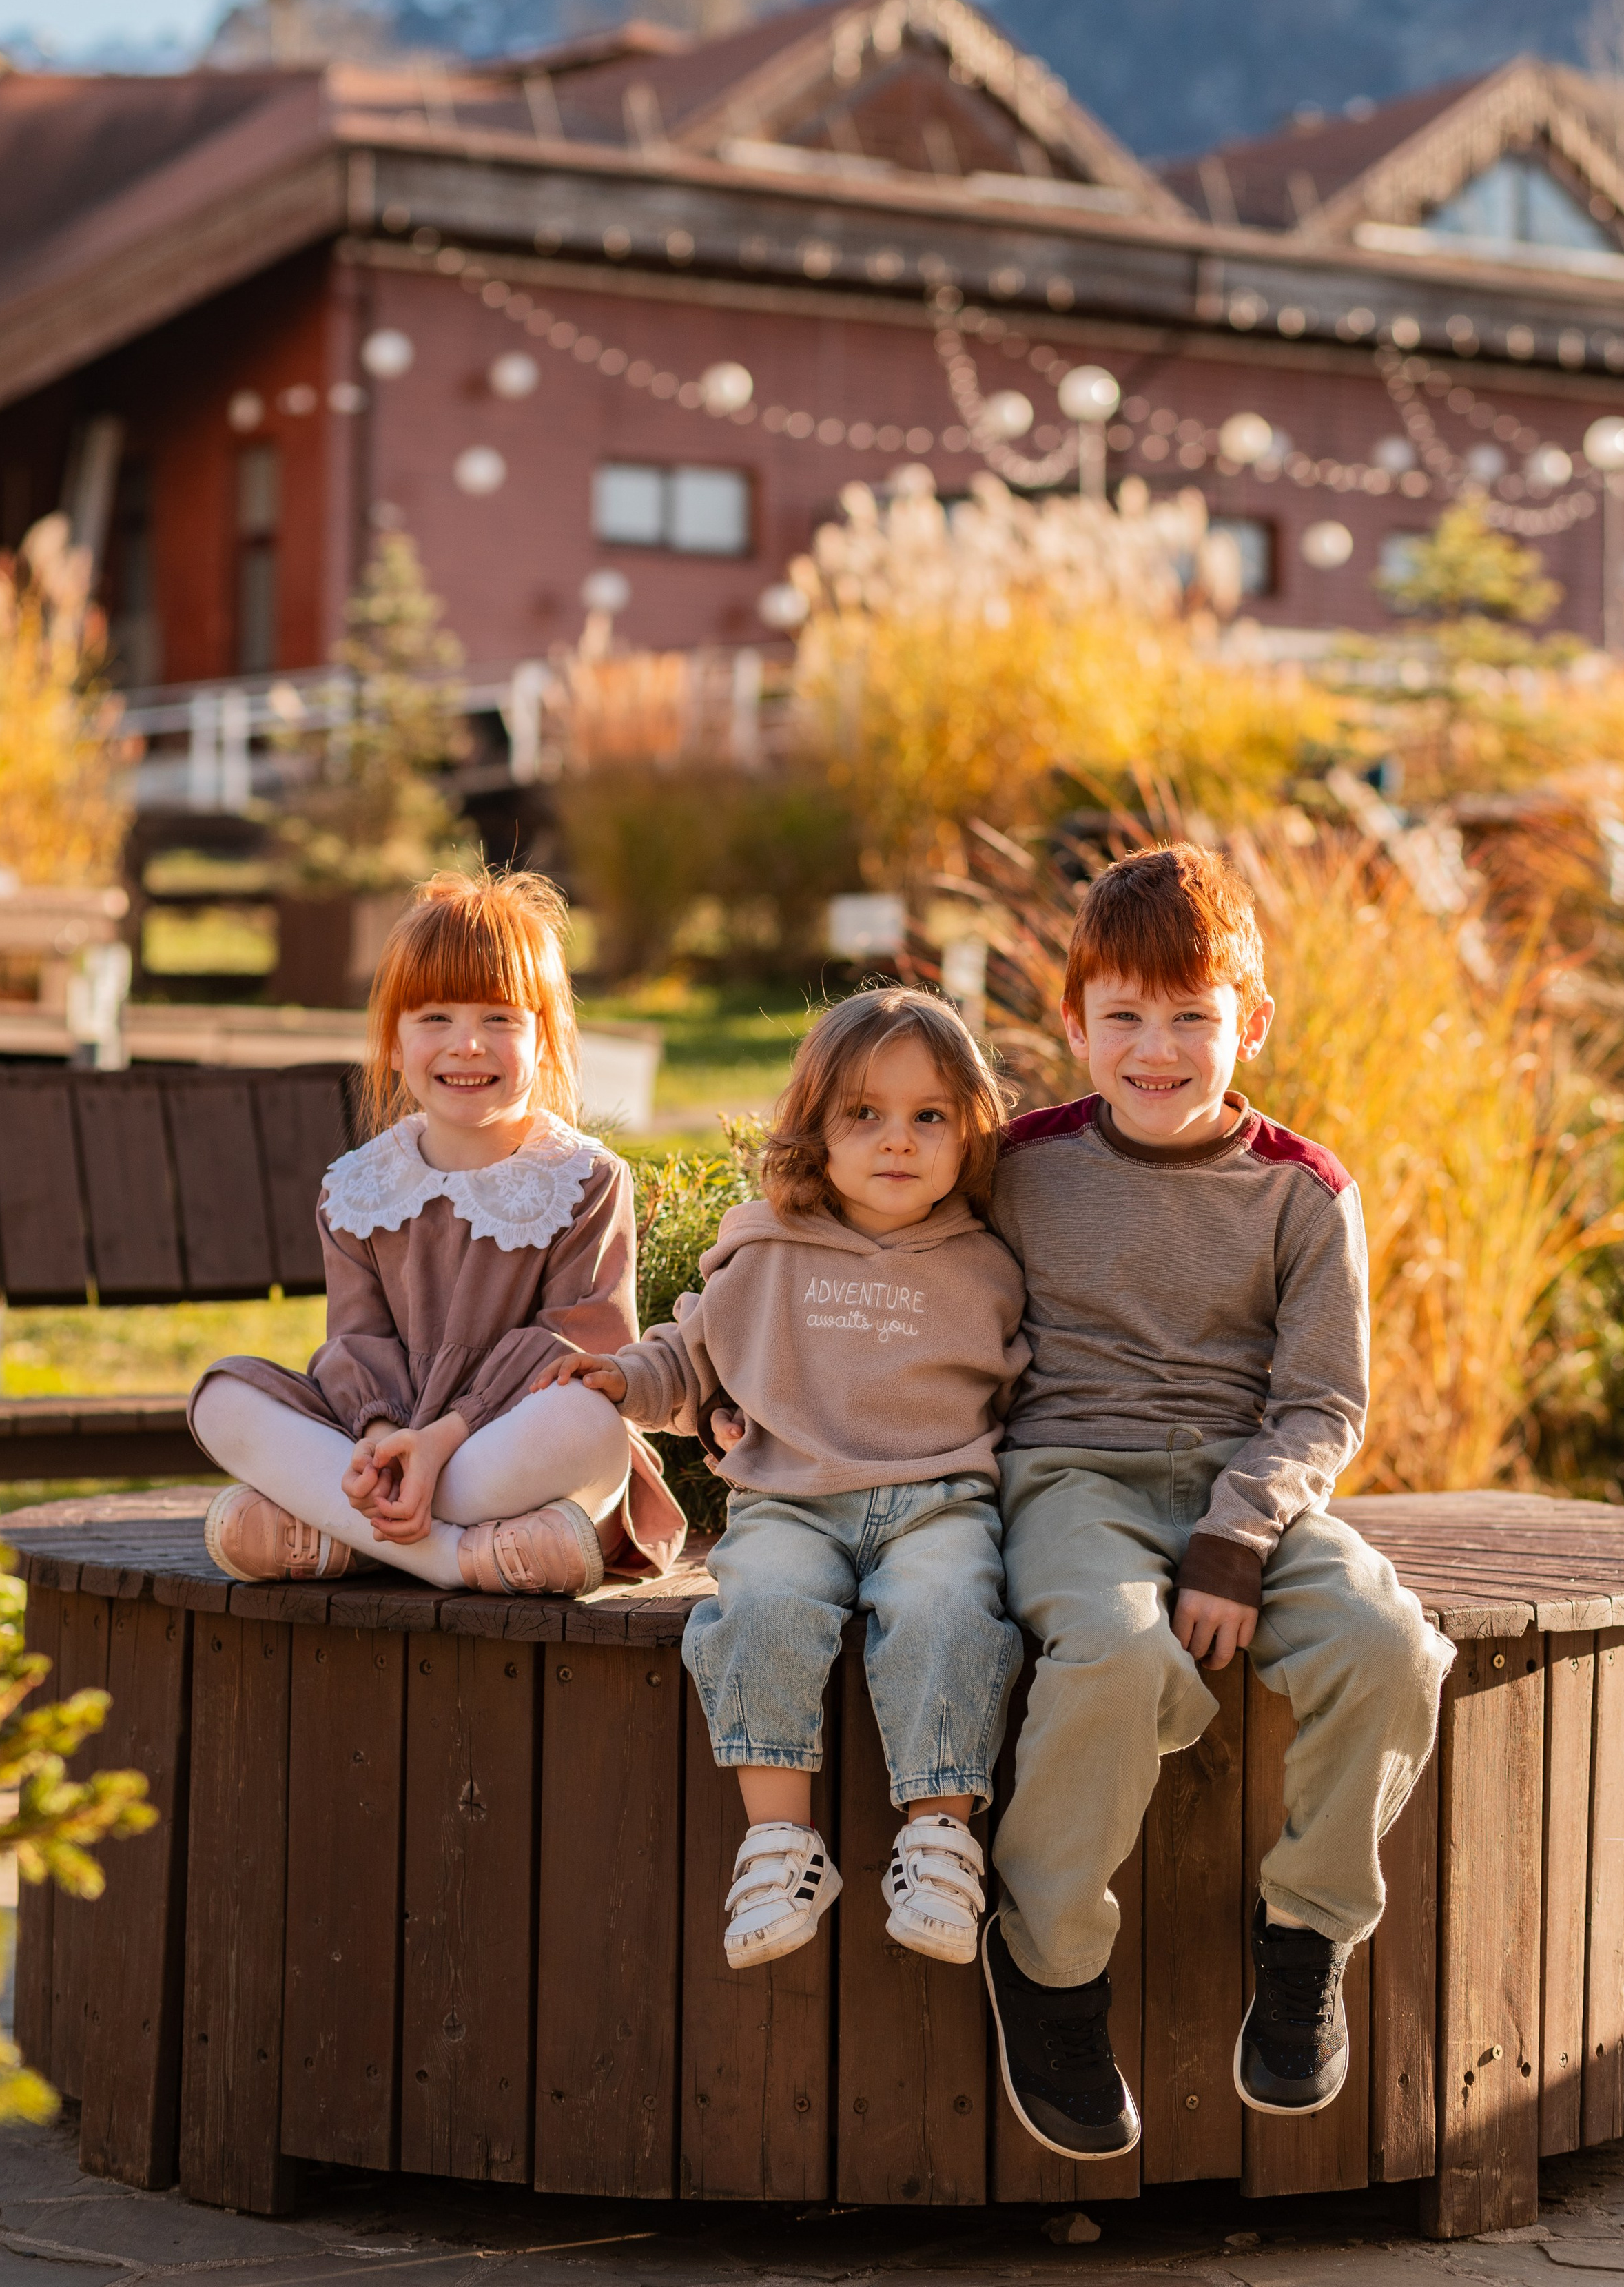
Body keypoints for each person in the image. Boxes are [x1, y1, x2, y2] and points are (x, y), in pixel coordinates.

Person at [981, 843, 1454, 2161]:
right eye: (1123, 1016)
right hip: (1071, 1475)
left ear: (1250, 1020)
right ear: (1072, 1024)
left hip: (1248, 1485)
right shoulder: (1016, 1167)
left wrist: (1239, 1537)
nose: (1157, 1049)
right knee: (1126, 1661)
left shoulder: (1305, 1191)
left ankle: (1306, 1939)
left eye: (1193, 1016)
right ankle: (1049, 1954)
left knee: (1388, 1646)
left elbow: (1322, 1405)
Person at [553, 987, 1027, 1972]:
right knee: (760, 1606)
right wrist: (624, 1380)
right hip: (792, 1502)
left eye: (929, 1116)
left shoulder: (991, 1263)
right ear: (815, 1130)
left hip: (937, 1502)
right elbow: (690, 1352)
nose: (899, 1141)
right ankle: (779, 1844)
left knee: (950, 1609)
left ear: (968, 1131)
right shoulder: (767, 1243)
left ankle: (939, 1838)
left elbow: (1036, 1394)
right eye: (865, 1114)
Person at [190, 869, 685, 1597]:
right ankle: (456, 1557)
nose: (468, 1045)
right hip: (391, 1437)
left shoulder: (582, 1179)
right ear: (392, 1042)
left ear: (545, 1041)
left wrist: (442, 1440)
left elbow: (577, 1352)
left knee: (587, 1423)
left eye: (500, 1018)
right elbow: (355, 1346)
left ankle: (347, 1536)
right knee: (220, 1398)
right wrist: (382, 1441)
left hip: (513, 1451)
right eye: (435, 1019)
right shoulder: (358, 1189)